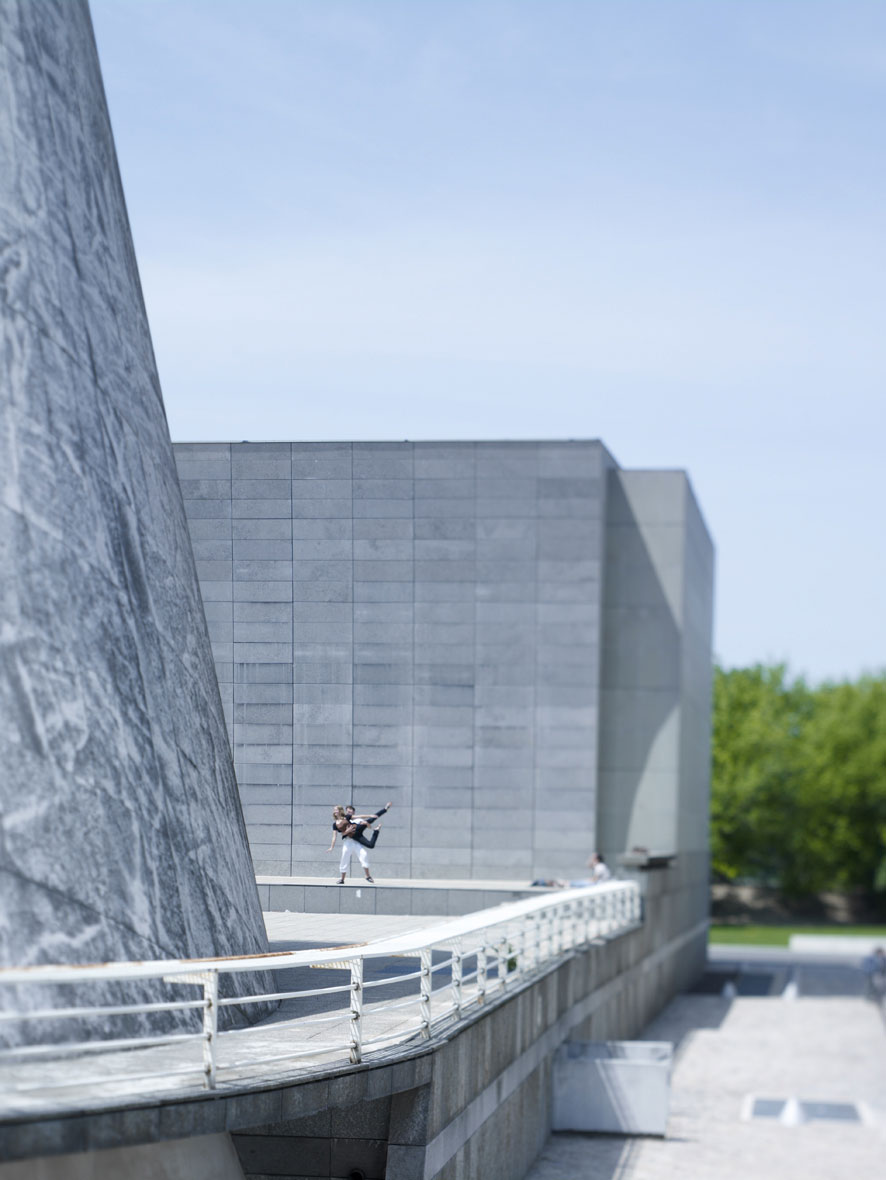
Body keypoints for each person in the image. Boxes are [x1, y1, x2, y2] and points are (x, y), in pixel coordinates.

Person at [327, 802, 392, 884]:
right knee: (345, 856)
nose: (334, 811)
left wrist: (370, 816)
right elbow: (335, 836)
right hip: (348, 841)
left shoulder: (348, 817)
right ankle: (342, 879)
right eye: (334, 810)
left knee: (364, 854)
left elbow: (361, 817)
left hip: (356, 838)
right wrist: (331, 847)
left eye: (336, 809)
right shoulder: (335, 824)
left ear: (340, 810)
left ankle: (367, 876)